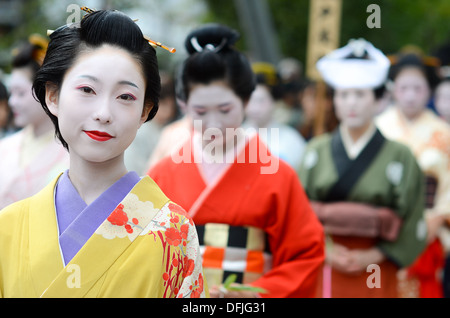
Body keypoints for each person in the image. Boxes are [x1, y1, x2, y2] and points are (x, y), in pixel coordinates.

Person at [0, 8, 206, 298]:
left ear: (145, 111)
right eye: (87, 89)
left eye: (125, 97)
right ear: (53, 96)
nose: (104, 113)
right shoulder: (8, 227)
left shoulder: (173, 232)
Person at [148, 24, 324, 298]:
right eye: (201, 111)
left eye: (225, 109)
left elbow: (305, 256)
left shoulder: (277, 174)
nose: (214, 124)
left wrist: (257, 293)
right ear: (183, 105)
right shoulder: (163, 173)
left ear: (246, 100)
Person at [298, 39, 427, 298]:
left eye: (360, 94)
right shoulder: (316, 150)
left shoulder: (400, 155)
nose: (351, 103)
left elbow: (413, 216)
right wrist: (326, 250)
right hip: (326, 259)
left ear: (378, 100)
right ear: (334, 101)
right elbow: (298, 211)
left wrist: (376, 254)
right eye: (343, 95)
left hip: (378, 262)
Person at [375, 52, 450, 298]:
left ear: (428, 91)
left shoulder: (444, 132)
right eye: (403, 87)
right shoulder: (378, 128)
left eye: (417, 88)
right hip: (384, 226)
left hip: (429, 227)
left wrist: (437, 218)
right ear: (393, 90)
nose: (410, 95)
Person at [0, 34, 69, 209]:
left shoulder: (71, 156)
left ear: (49, 91)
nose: (12, 102)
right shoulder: (6, 145)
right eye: (12, 93)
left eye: (21, 93)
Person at [243, 62, 306, 169]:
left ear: (274, 101)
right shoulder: (233, 138)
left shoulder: (291, 139)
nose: (255, 107)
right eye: (250, 100)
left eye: (261, 100)